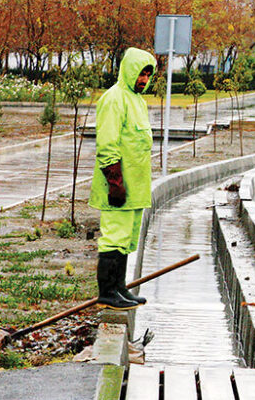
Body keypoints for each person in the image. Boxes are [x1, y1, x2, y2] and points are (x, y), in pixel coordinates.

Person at [89, 47, 157, 311]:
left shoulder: (137, 100)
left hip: (135, 189)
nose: (144, 80)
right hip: (118, 186)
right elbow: (107, 143)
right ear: (129, 71)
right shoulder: (114, 99)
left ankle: (119, 287)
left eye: (148, 75)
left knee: (127, 238)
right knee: (114, 237)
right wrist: (115, 182)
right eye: (141, 74)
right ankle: (107, 292)